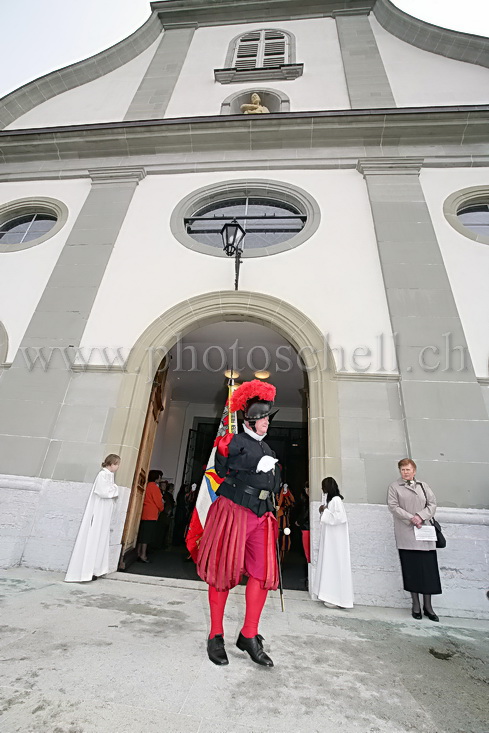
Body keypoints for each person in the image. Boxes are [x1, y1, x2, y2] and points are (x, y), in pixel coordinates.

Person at [197, 380, 280, 668]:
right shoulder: (233, 441)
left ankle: (249, 634)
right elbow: (223, 465)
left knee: (261, 574)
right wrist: (252, 464)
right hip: (234, 510)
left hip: (262, 514)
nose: (267, 423)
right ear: (252, 420)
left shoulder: (266, 446)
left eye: (268, 419)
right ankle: (215, 634)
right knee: (222, 571)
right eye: (263, 419)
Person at [387, 458, 442, 621]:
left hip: (424, 533)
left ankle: (428, 606)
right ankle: (416, 604)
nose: (405, 472)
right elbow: (393, 506)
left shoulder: (423, 486)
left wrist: (420, 516)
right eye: (403, 470)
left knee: (428, 571)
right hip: (407, 533)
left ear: (414, 471)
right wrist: (412, 518)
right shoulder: (394, 487)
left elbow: (432, 504)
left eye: (408, 469)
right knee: (411, 570)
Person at [65, 454, 120, 583]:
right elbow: (103, 492)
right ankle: (87, 570)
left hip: (105, 510)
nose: (118, 467)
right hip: (99, 510)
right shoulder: (102, 475)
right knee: (94, 537)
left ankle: (96, 569)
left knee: (100, 537)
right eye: (117, 464)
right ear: (111, 463)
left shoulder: (109, 475)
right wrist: (115, 489)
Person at [312, 477, 353, 609]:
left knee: (335, 565)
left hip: (336, 540)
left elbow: (340, 518)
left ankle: (336, 598)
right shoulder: (332, 501)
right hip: (330, 538)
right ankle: (329, 595)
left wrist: (324, 511)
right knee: (329, 564)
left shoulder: (336, 500)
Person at [137, 469, 164, 563]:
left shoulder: (147, 485)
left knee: (142, 534)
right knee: (147, 536)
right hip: (151, 513)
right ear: (157, 477)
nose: (160, 479)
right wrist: (161, 508)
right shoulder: (154, 487)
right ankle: (143, 555)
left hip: (145, 512)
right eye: (160, 477)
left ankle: (138, 552)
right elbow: (158, 502)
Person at [296, 482, 310, 564]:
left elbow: (305, 514)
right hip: (307, 527)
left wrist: (299, 521)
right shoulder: (307, 500)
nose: (306, 490)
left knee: (307, 551)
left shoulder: (307, 501)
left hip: (306, 527)